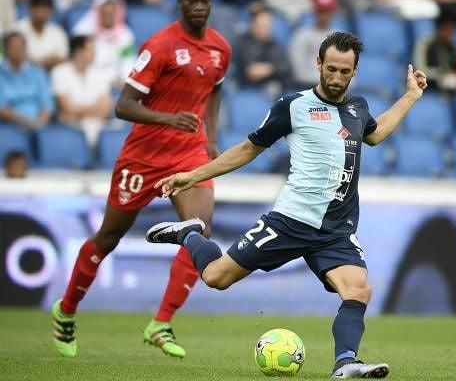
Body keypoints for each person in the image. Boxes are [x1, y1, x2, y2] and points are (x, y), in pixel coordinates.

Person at [145, 31, 428, 379]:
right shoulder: (293, 106)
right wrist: (192, 176)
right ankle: (189, 234)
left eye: (345, 71)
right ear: (318, 64)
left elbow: (376, 133)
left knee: (357, 289)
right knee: (216, 277)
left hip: (335, 230)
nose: (336, 77)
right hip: (290, 221)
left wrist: (411, 96)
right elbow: (247, 149)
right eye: (331, 69)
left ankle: (346, 363)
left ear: (355, 72)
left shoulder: (358, 108)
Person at [51, 0, 231, 359]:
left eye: (205, 0)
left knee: (199, 231)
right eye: (192, 0)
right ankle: (66, 310)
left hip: (189, 154)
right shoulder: (160, 45)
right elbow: (123, 105)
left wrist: (212, 139)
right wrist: (168, 118)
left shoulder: (220, 49)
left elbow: (214, 91)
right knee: (108, 238)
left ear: (211, 3)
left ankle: (161, 322)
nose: (199, 6)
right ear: (180, 2)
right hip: (143, 157)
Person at [50, 35, 113, 147]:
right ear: (78, 52)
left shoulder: (98, 74)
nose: (94, 53)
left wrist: (76, 110)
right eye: (90, 49)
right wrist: (94, 109)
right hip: (71, 129)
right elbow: (67, 108)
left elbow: (105, 109)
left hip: (98, 127)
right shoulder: (59, 72)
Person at [72, 0, 136, 88]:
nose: (109, 16)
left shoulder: (126, 35)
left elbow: (128, 61)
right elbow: (79, 60)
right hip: (88, 81)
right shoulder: (83, 31)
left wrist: (124, 79)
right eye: (105, 13)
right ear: (98, 12)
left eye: (112, 13)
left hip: (116, 82)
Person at [0, 32, 53, 130]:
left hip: (39, 123)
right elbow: (1, 108)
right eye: (14, 48)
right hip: (9, 125)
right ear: (6, 50)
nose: (18, 52)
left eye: (21, 48)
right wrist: (22, 120)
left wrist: (40, 123)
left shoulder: (37, 72)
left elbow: (47, 104)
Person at [289, 0, 339, 88]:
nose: (324, 15)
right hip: (307, 88)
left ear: (333, 12)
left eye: (327, 11)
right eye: (321, 10)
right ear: (315, 11)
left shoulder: (341, 38)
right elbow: (297, 71)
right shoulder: (302, 35)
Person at [13, 0, 69, 71]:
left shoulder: (58, 32)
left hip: (52, 73)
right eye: (39, 8)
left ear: (51, 11)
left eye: (46, 9)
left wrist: (51, 61)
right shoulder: (17, 29)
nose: (42, 12)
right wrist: (39, 63)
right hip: (22, 72)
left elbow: (63, 58)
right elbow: (13, 56)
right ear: (30, 9)